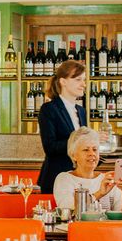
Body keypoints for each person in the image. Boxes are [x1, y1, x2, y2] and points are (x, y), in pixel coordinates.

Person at [53, 127, 122, 214]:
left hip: (105, 228)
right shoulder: (64, 179)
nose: (92, 153)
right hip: (78, 228)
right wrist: (99, 193)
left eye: (95, 149)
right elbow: (69, 211)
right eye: (86, 150)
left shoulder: (108, 180)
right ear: (73, 155)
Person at [37, 59, 87, 193]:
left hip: (77, 180)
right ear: (63, 81)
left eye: (84, 80)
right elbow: (50, 148)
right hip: (55, 178)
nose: (83, 84)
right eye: (78, 80)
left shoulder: (81, 111)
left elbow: (81, 151)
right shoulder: (49, 109)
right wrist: (81, 141)